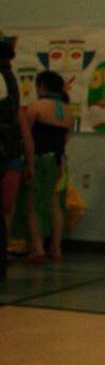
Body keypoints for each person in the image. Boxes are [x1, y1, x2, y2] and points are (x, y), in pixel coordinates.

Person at [13, 70, 70, 263]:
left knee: (32, 204)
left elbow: (27, 137)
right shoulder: (67, 110)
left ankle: (37, 248)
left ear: (42, 86)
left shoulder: (36, 107)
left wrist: (29, 163)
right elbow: (65, 139)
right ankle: (56, 247)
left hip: (39, 159)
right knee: (54, 203)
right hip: (59, 161)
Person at [0, 40, 34, 280]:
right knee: (7, 210)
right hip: (12, 155)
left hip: (8, 153)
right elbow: (25, 133)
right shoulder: (10, 82)